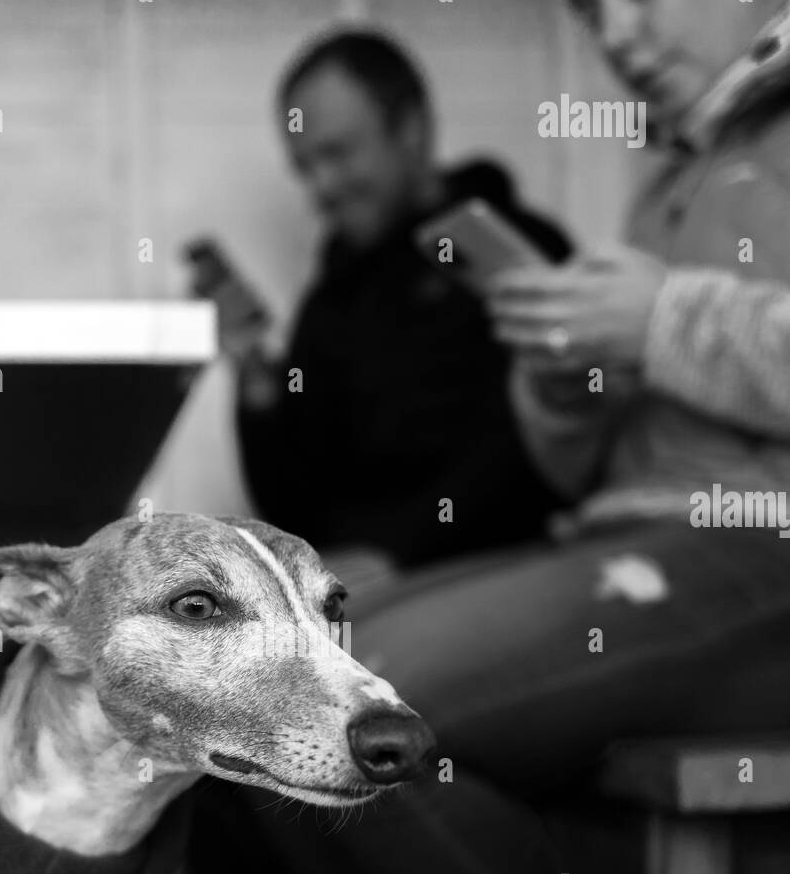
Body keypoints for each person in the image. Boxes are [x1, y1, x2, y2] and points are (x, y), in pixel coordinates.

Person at [185, 0, 790, 874]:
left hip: (755, 545)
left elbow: (652, 368)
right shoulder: (677, 158)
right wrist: (570, 384)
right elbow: (586, 443)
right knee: (281, 701)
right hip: (628, 528)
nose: (614, 31)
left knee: (342, 704)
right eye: (592, 9)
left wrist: (662, 321)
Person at [206, 28, 571, 568]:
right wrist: (258, 386)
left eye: (337, 153)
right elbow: (291, 507)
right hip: (349, 586)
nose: (322, 186)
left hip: (482, 570)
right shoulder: (330, 299)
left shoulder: (518, 251)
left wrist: (392, 556)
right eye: (304, 167)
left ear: (411, 129)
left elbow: (534, 454)